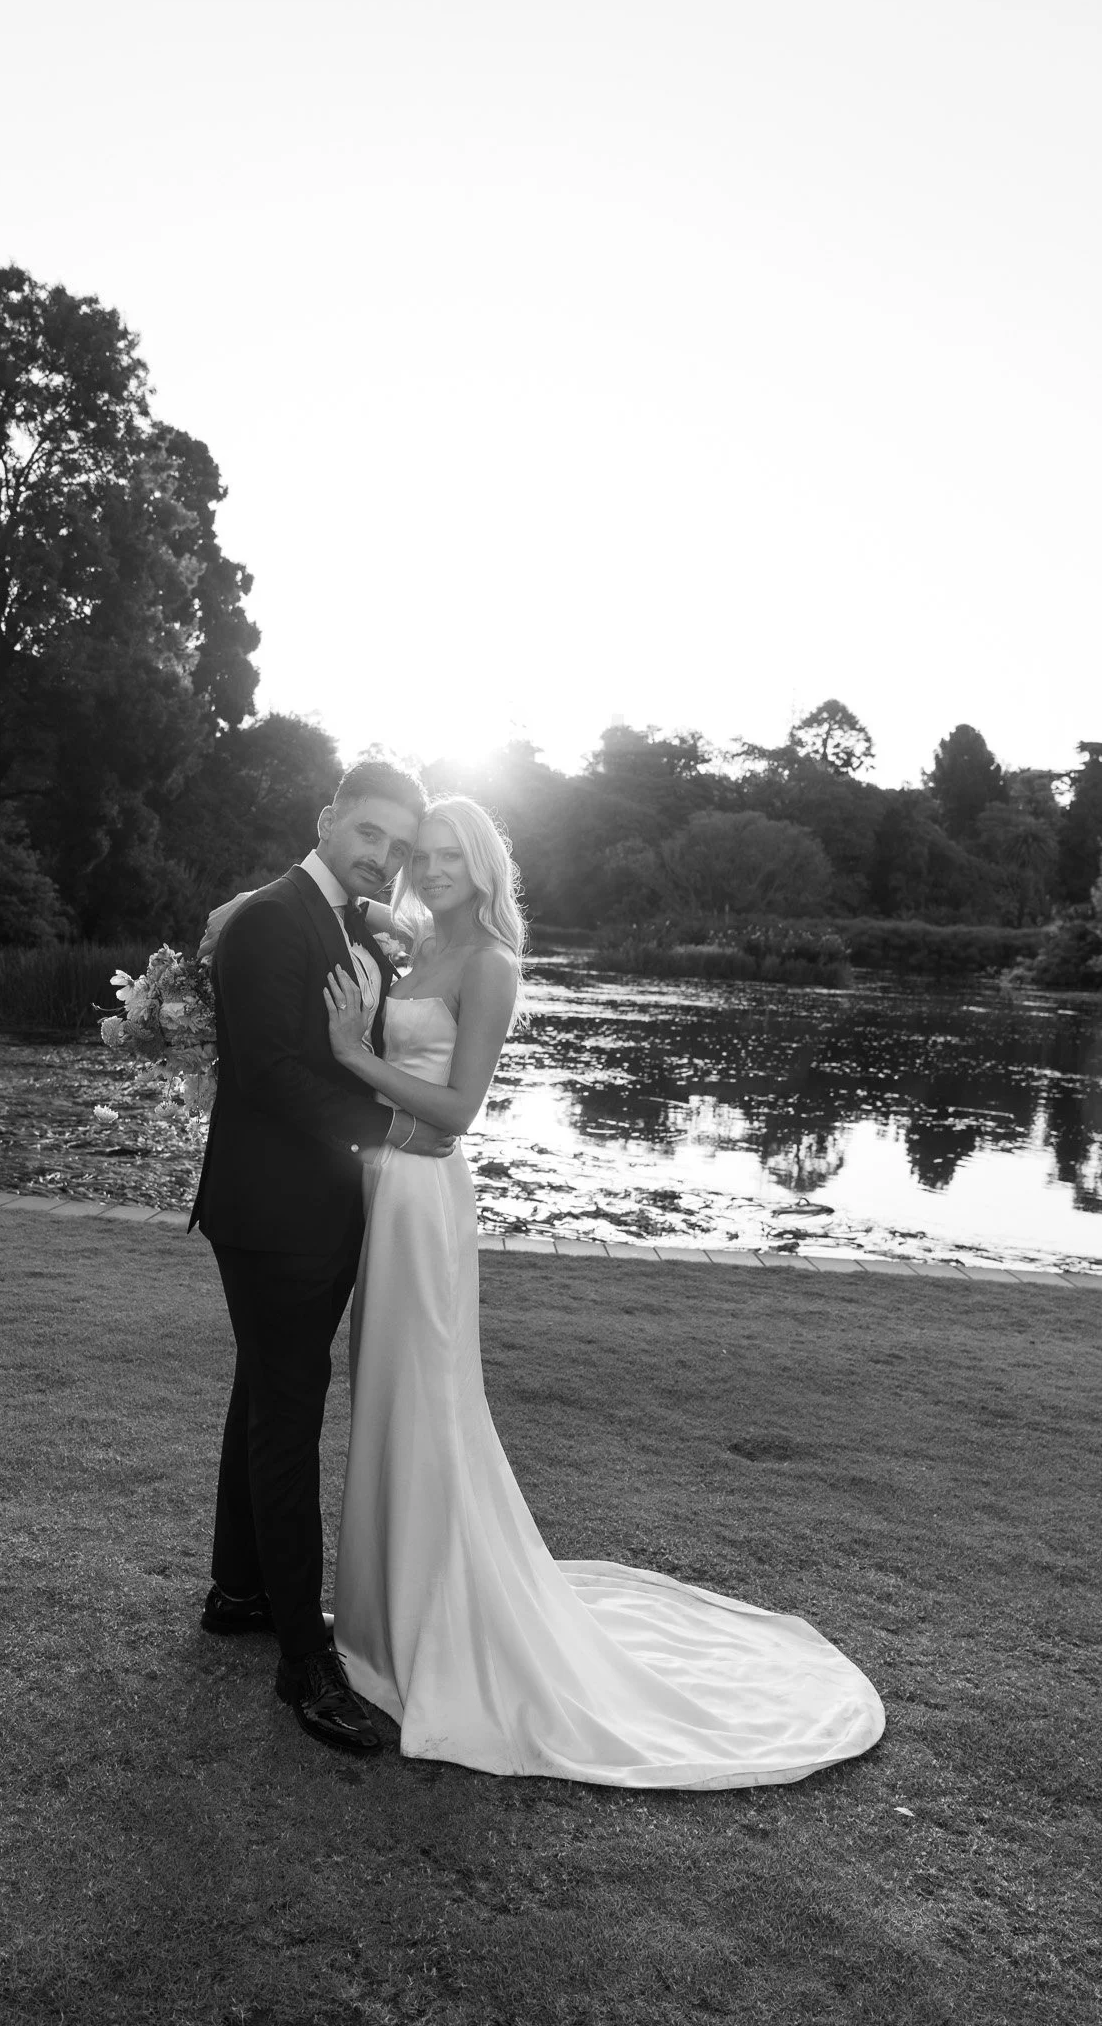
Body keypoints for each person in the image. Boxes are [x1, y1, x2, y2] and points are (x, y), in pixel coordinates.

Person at [322, 795, 886, 1786]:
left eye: (458, 853)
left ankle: (434, 1627)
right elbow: (347, 906)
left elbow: (457, 1112)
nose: (439, 865)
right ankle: (377, 1614)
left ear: (488, 865)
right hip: (381, 1190)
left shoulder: (491, 963)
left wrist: (356, 1057)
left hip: (423, 1197)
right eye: (427, 852)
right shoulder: (416, 946)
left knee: (425, 1404)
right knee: (381, 1396)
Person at [190, 761, 456, 1756]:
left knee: (263, 1392)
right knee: (286, 1417)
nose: (381, 853)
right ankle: (305, 1660)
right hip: (274, 1214)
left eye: (396, 843)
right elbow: (271, 1075)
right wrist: (393, 1126)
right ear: (328, 818)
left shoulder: (342, 916)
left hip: (319, 1208)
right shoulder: (272, 919)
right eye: (371, 832)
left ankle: (239, 1591)